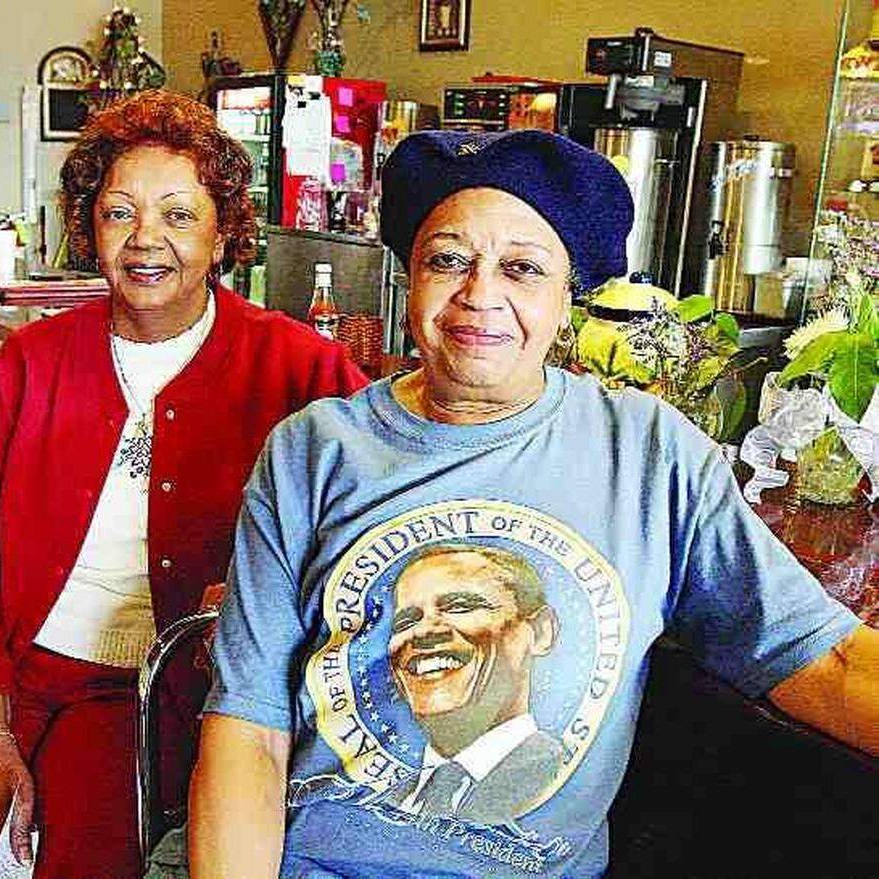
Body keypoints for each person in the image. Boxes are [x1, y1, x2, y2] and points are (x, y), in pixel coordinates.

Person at [188, 129, 879, 879]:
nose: (479, 294)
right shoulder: (314, 449)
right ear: (410, 279)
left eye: (522, 268)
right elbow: (248, 730)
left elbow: (824, 657)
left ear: (566, 299)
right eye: (448, 260)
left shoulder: (647, 453)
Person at [0, 89, 367, 879]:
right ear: (91, 230)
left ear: (224, 232)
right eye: (119, 212)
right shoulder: (32, 360)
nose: (145, 239)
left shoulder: (300, 368)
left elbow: (363, 536)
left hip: (146, 698)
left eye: (178, 214)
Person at [381, 544, 561, 824]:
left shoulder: (561, 775)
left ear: (540, 632)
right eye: (405, 621)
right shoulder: (385, 797)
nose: (423, 631)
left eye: (459, 606)